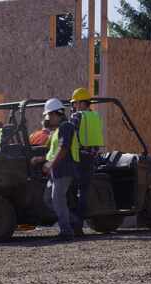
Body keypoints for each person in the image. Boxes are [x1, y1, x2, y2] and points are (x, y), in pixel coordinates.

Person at [31, 98, 80, 241]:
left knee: (57, 199)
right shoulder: (57, 131)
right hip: (56, 171)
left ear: (57, 114)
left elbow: (63, 149)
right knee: (48, 199)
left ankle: (66, 231)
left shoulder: (66, 127)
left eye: (49, 116)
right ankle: (74, 222)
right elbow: (52, 152)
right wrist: (41, 160)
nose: (48, 119)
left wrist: (50, 164)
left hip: (64, 170)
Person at [70, 88, 104, 236]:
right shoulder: (96, 116)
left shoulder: (77, 116)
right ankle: (79, 223)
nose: (74, 106)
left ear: (82, 103)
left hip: (78, 158)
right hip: (91, 158)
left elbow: (69, 135)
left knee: (72, 191)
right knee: (83, 191)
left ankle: (74, 224)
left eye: (75, 103)